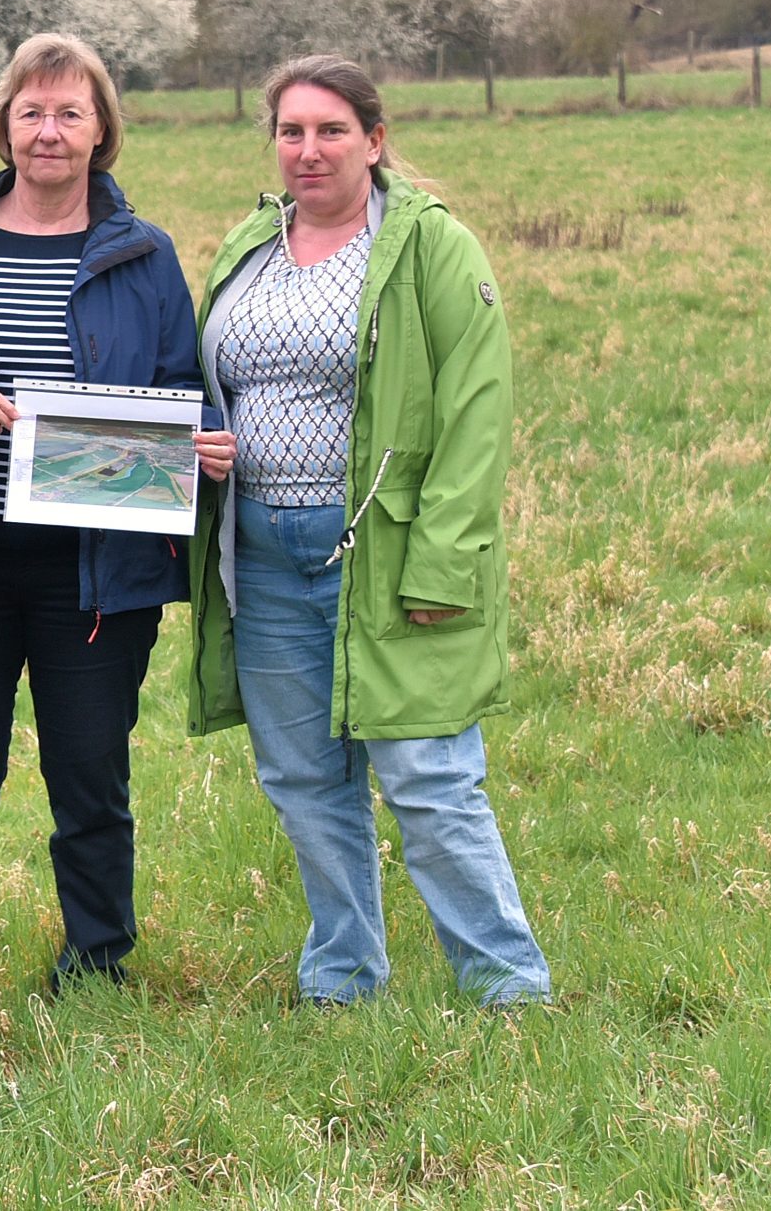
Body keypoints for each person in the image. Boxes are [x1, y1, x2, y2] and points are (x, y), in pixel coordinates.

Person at [0, 33, 231, 991]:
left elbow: (178, 384)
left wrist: (194, 442)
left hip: (96, 568)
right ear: (3, 125)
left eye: (70, 112)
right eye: (31, 112)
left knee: (92, 776)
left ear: (101, 128)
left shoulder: (144, 257)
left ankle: (97, 960)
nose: (49, 131)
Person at [185, 53, 550, 1007]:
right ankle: (343, 973)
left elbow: (477, 413)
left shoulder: (431, 247)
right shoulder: (246, 250)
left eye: (332, 130)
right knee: (305, 781)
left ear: (376, 141)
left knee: (429, 777)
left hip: (384, 553)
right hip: (262, 555)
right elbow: (208, 386)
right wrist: (198, 447)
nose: (309, 150)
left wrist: (442, 562)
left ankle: (507, 981)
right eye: (292, 131)